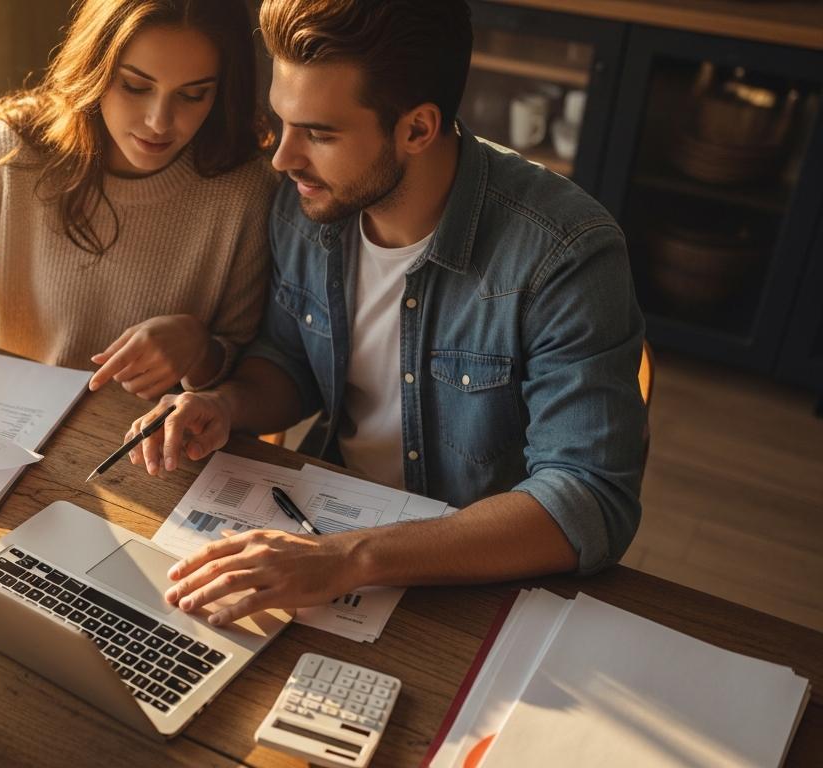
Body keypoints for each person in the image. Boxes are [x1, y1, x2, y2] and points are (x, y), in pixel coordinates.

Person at [129, 0, 647, 627]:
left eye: (318, 134)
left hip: (476, 585)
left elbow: (588, 500)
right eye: (282, 122)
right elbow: (290, 361)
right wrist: (225, 404)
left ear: (418, 129)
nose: (282, 158)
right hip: (330, 531)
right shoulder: (305, 203)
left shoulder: (566, 253)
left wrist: (351, 558)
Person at [0, 0, 277, 402]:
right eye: (134, 86)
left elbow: (249, 370)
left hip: (153, 450)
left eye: (192, 94)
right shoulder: (18, 148)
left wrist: (200, 349)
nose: (159, 121)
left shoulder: (246, 189)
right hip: (17, 417)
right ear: (95, 68)